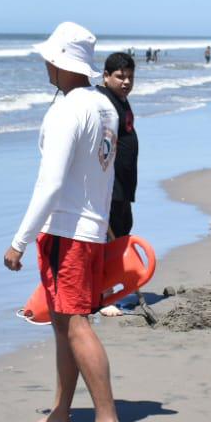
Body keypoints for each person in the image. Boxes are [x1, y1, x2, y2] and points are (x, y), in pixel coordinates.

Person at [4, 22, 124, 422]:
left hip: (67, 232)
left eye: (49, 58)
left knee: (74, 324)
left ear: (60, 62)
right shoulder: (104, 106)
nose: (45, 64)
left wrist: (20, 239)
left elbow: (51, 182)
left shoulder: (68, 108)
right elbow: (105, 170)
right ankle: (61, 414)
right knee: (61, 324)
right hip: (88, 229)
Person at [96, 52, 138, 318]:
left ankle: (114, 289)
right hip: (109, 184)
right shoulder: (103, 103)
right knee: (106, 239)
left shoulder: (121, 100)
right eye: (120, 77)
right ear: (106, 76)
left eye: (130, 77)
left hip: (124, 184)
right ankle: (105, 295)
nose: (126, 82)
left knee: (122, 232)